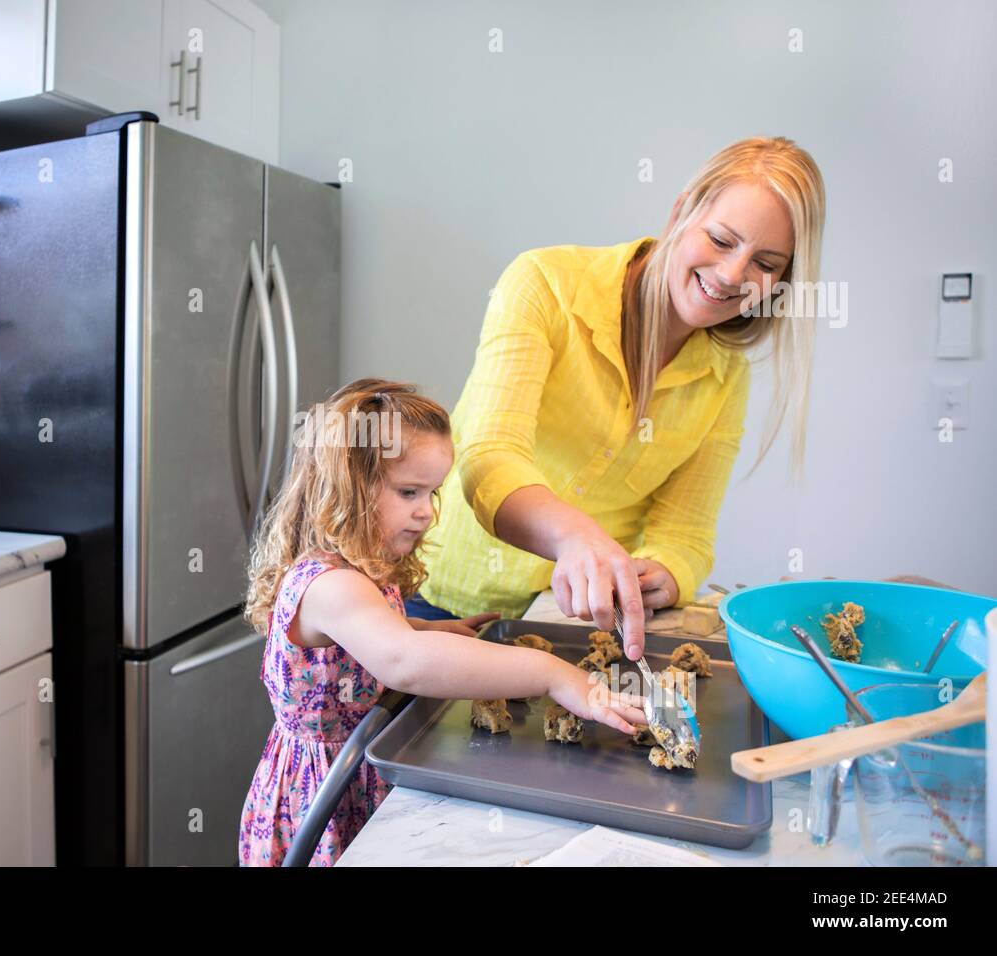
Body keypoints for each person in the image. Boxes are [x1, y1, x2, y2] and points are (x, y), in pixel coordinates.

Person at [414, 137, 827, 659]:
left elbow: (686, 533)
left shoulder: (727, 376)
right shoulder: (544, 284)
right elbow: (488, 459)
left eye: (764, 262)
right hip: (443, 607)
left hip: (575, 626)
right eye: (722, 240)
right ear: (681, 211)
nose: (731, 275)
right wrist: (574, 538)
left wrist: (664, 573)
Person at [236, 378, 644, 866]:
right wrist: (553, 673)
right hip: (323, 791)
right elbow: (403, 662)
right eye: (409, 491)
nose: (427, 512)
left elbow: (364, 643)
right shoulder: (330, 584)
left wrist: (427, 630)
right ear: (348, 485)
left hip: (360, 761)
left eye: (432, 492)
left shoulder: (357, 569)